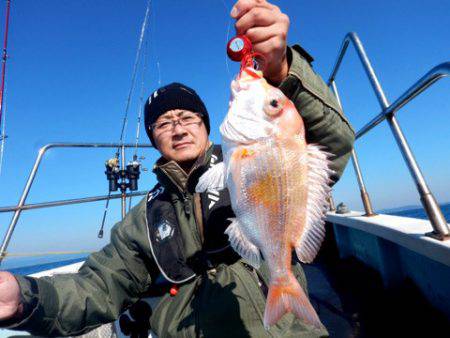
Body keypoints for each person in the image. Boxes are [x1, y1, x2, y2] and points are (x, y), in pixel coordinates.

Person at [0, 0, 354, 336]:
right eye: (164, 124)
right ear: (154, 139)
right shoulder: (143, 220)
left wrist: (281, 69)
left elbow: (331, 145)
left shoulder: (251, 156)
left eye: (187, 117)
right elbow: (99, 286)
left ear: (205, 124)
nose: (179, 128)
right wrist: (24, 298)